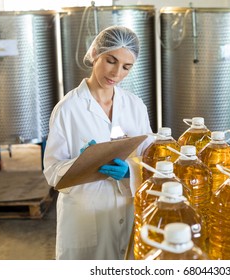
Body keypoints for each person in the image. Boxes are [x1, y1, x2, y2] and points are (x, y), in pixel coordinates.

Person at [43, 26, 153, 260]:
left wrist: (130, 172)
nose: (116, 73)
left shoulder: (135, 106)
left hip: (126, 209)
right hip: (85, 216)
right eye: (110, 60)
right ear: (95, 54)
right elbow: (52, 171)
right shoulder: (68, 109)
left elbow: (149, 157)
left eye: (126, 67)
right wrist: (80, 162)